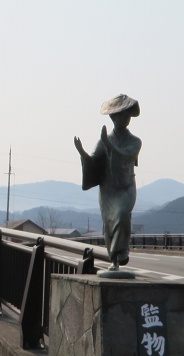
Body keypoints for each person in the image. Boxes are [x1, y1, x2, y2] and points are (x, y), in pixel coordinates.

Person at [74, 94, 141, 271]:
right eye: (122, 115)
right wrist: (82, 153)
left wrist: (109, 146)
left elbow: (127, 157)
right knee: (110, 224)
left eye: (128, 115)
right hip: (108, 191)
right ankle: (115, 260)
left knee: (121, 214)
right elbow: (95, 162)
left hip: (126, 187)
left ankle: (121, 253)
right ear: (113, 117)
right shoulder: (104, 141)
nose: (126, 119)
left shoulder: (135, 141)